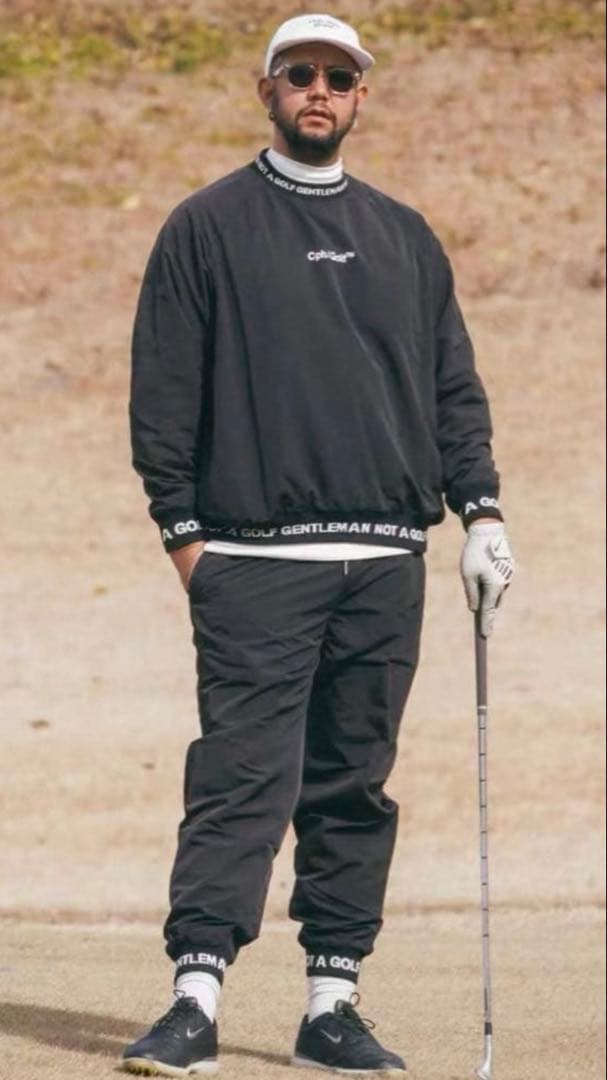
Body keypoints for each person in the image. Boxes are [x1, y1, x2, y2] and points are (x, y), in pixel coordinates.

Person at [124, 12, 515, 1077]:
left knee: (353, 786)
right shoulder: (207, 226)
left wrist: (481, 514)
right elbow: (162, 393)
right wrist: (188, 541)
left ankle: (330, 1006)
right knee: (240, 779)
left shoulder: (403, 235)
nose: (318, 91)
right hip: (252, 562)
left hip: (385, 560)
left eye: (338, 79)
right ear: (266, 91)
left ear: (359, 98)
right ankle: (195, 1000)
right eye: (299, 74)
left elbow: (451, 388)